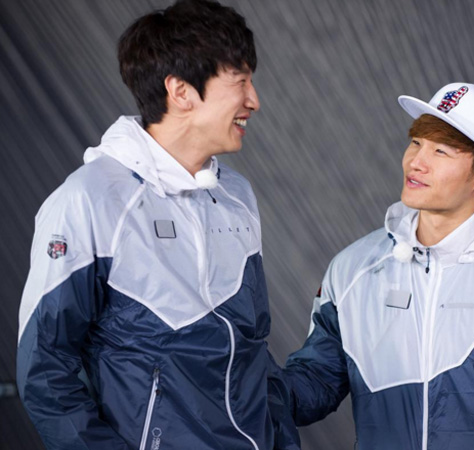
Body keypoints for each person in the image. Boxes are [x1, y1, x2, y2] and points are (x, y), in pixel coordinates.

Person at [16, 1, 300, 449]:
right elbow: (45, 371)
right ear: (181, 91)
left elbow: (252, 352)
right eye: (240, 81)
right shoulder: (89, 200)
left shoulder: (236, 195)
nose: (254, 100)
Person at [284, 82, 474, 449]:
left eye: (441, 150)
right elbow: (316, 381)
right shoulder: (353, 269)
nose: (416, 162)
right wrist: (245, 380)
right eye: (416, 142)